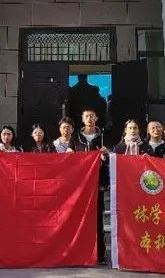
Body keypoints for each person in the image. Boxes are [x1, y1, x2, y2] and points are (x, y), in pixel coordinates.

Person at [70, 108, 109, 265]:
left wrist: (106, 154)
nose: (89, 118)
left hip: (98, 183)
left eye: (92, 116)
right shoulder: (75, 137)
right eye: (86, 116)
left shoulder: (104, 136)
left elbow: (113, 156)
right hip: (80, 185)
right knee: (78, 218)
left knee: (98, 219)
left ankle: (100, 255)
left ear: (96, 118)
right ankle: (79, 253)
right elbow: (69, 157)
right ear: (82, 119)